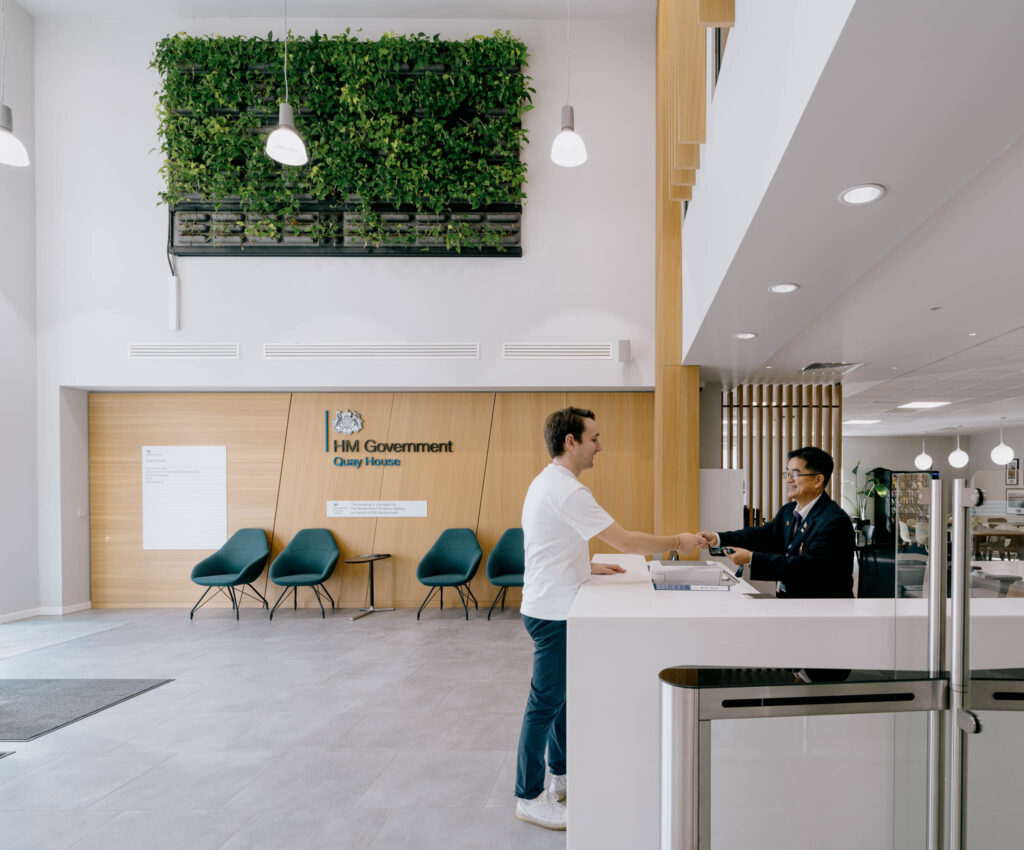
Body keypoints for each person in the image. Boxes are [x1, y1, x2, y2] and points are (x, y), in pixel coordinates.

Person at [514, 406, 700, 831]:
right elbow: (627, 541)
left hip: (551, 601)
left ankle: (559, 775)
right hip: (553, 612)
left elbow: (552, 541)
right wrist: (678, 541)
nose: (601, 445)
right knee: (544, 704)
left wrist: (584, 565)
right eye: (594, 437)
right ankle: (527, 795)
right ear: (571, 441)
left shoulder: (551, 482)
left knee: (560, 699)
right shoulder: (569, 491)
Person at [698, 446, 854, 598]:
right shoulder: (788, 511)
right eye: (787, 473)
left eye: (795, 474)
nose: (789, 480)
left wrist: (752, 558)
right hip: (790, 603)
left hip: (823, 610)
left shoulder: (834, 521)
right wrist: (718, 538)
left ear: (818, 480)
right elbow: (761, 536)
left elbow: (808, 567)